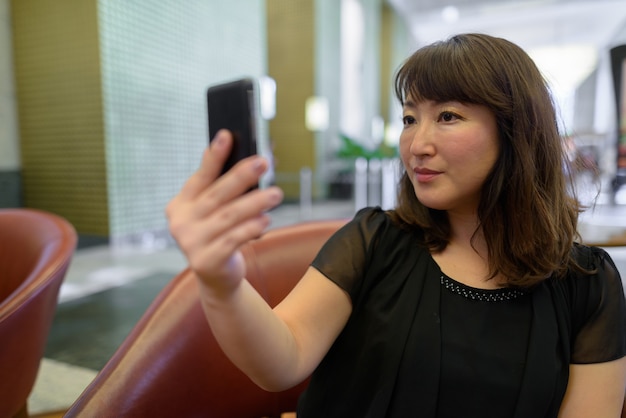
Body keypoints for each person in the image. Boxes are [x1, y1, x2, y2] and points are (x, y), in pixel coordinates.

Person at [166, 33, 626, 417]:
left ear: (517, 132)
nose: (416, 144)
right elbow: (282, 358)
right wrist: (222, 283)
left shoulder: (587, 285)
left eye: (447, 116)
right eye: (409, 118)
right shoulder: (374, 241)